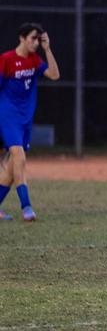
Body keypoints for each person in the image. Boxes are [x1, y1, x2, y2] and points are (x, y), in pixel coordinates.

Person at [0, 23, 60, 222]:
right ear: (22, 38)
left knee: (11, 168)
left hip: (25, 119)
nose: (36, 43)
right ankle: (26, 207)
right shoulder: (6, 59)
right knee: (19, 156)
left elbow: (54, 75)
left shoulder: (34, 60)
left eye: (38, 39)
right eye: (33, 38)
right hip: (7, 115)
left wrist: (47, 49)